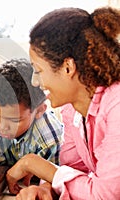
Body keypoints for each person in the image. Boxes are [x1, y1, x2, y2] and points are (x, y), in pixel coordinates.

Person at [6, 7, 120, 200]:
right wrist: (47, 188)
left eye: (39, 71)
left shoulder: (116, 106)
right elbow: (71, 168)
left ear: (68, 68)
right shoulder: (73, 109)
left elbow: (106, 195)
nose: (35, 81)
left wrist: (34, 164)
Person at [0, 58, 63, 170]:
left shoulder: (49, 138)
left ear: (39, 111)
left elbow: (53, 179)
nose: (3, 127)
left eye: (15, 120)